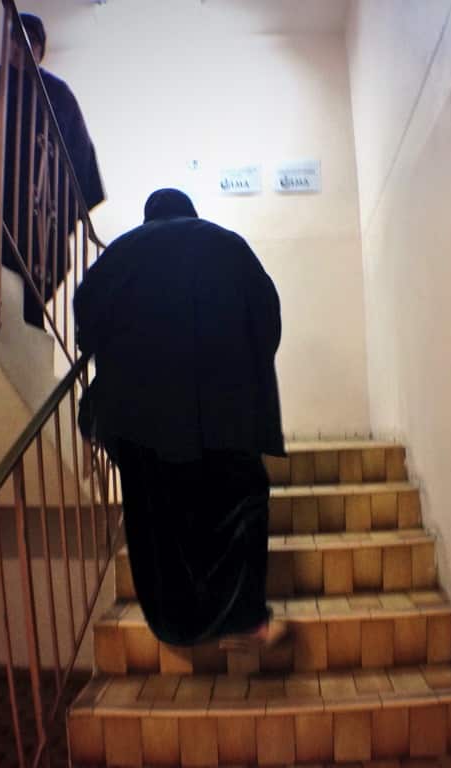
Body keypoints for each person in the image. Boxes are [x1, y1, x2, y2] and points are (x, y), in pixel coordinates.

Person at [74, 188, 287, 650]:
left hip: (139, 416)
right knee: (237, 508)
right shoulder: (228, 244)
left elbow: (85, 326)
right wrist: (246, 375)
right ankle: (244, 619)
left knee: (157, 522)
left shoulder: (119, 255)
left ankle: (178, 627)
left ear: (149, 215)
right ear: (191, 211)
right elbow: (268, 318)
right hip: (226, 409)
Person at [0, 13, 105, 330]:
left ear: (41, 51)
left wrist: (71, 207)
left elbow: (80, 157)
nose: (21, 49)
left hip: (38, 213)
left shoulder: (58, 95)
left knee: (27, 292)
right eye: (15, 41)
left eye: (30, 42)